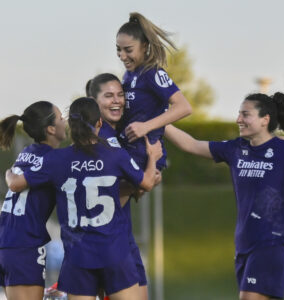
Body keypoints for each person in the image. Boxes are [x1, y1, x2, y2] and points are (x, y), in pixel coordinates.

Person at [164, 92, 284, 300]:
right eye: (238, 114)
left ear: (265, 120)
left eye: (245, 114)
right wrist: (159, 122)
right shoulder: (234, 148)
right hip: (244, 244)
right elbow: (190, 144)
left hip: (270, 241)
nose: (238, 120)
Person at [6, 97, 162, 300]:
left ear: (71, 125)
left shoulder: (56, 159)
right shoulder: (115, 155)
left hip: (77, 257)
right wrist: (152, 157)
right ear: (99, 123)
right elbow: (147, 183)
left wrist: (10, 172)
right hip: (113, 252)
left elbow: (18, 183)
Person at [87, 73, 151, 300]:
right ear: (94, 103)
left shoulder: (113, 134)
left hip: (122, 236)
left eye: (120, 95)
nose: (116, 101)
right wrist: (151, 168)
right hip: (108, 240)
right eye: (108, 96)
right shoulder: (100, 138)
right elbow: (118, 190)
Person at [0, 101, 66, 300]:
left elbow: (14, 180)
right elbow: (16, 184)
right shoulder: (54, 159)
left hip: (7, 240)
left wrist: (8, 174)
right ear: (51, 129)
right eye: (61, 118)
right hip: (24, 245)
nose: (65, 122)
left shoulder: (27, 152)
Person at [116, 12, 192, 171]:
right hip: (128, 150)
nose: (122, 56)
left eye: (128, 50)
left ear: (144, 46)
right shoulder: (128, 75)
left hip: (144, 154)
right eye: (118, 49)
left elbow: (184, 107)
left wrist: (146, 126)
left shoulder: (152, 73)